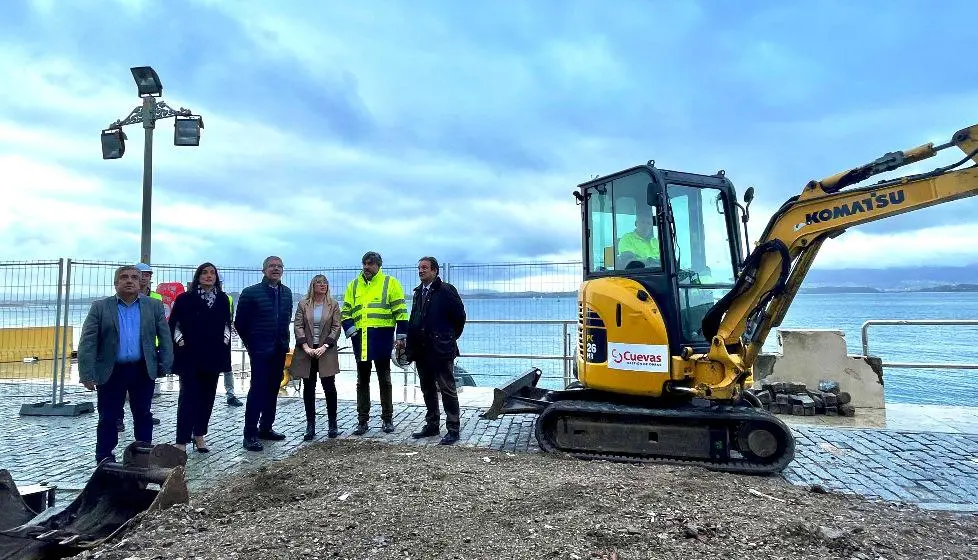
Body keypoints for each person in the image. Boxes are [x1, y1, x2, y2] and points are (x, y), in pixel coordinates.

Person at [77, 265, 173, 465]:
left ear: (141, 282)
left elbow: (165, 337)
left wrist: (165, 365)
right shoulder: (100, 307)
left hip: (142, 369)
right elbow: (88, 342)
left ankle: (143, 455)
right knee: (108, 417)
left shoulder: (153, 306)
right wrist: (86, 373)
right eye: (124, 277)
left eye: (134, 277)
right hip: (111, 371)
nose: (129, 281)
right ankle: (104, 457)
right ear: (116, 283)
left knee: (143, 414)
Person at [341, 251, 408, 435]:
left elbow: (401, 312)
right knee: (362, 382)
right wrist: (352, 331)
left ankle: (387, 419)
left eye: (370, 264)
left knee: (384, 380)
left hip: (382, 340)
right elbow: (345, 311)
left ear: (378, 266)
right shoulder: (353, 285)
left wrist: (401, 337)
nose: (366, 267)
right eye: (364, 263)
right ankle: (362, 421)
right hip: (360, 341)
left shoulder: (390, 283)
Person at [168, 262, 233, 453]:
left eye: (212, 273)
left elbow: (227, 326)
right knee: (188, 397)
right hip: (189, 357)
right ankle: (181, 440)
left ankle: (199, 435)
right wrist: (181, 343)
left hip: (213, 357)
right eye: (204, 273)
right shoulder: (184, 299)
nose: (209, 276)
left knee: (207, 398)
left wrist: (223, 345)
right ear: (198, 276)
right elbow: (174, 325)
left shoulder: (222, 299)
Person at [234, 256, 293, 452]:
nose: (275, 269)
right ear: (264, 270)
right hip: (259, 350)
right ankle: (250, 433)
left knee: (273, 388)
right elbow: (240, 323)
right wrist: (251, 342)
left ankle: (266, 427)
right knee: (258, 389)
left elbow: (285, 320)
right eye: (271, 266)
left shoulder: (286, 293)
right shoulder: (251, 293)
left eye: (279, 266)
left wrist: (285, 342)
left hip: (279, 349)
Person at [405, 257, 466, 445]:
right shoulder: (418, 293)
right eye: (419, 268)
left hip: (440, 349)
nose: (421, 271)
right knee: (427, 388)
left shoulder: (446, 290)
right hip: (422, 350)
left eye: (424, 268)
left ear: (435, 270)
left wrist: (447, 337)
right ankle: (432, 424)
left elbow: (459, 317)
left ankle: (453, 428)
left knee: (447, 388)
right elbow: (414, 319)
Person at [289, 274, 342, 441]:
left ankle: (332, 423)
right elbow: (298, 326)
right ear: (312, 286)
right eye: (319, 283)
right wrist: (305, 347)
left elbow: (336, 326)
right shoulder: (303, 304)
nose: (322, 285)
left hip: (326, 351)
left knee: (329, 387)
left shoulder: (333, 304)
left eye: (325, 283)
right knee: (309, 387)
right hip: (307, 352)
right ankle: (310, 425)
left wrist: (325, 346)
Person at [224, 292, 243, 407]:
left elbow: (229, 319)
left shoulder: (227, 299)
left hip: (224, 339)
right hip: (206, 340)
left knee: (227, 368)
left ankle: (230, 395)